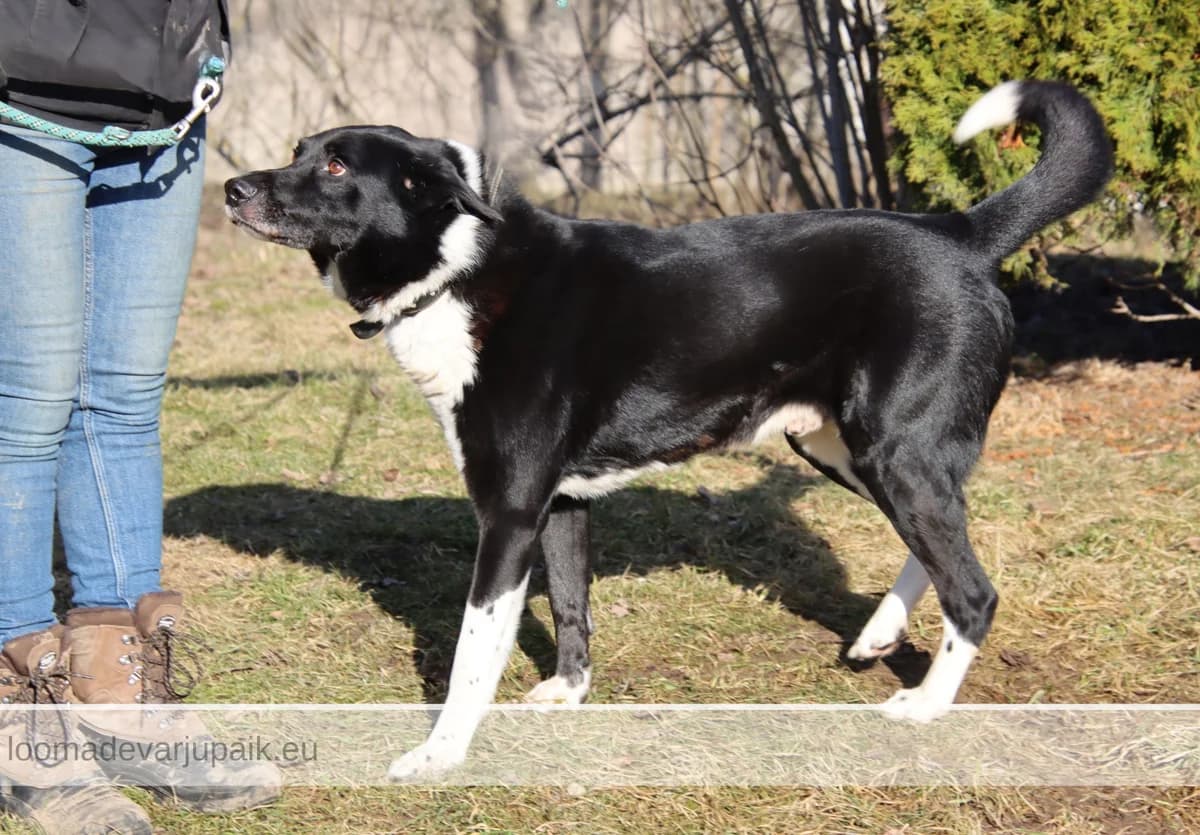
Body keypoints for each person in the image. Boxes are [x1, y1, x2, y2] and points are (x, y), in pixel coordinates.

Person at [0, 3, 280, 832]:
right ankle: (21, 707)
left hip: (162, 95)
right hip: (22, 79)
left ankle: (119, 696)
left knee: (122, 397)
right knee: (28, 401)